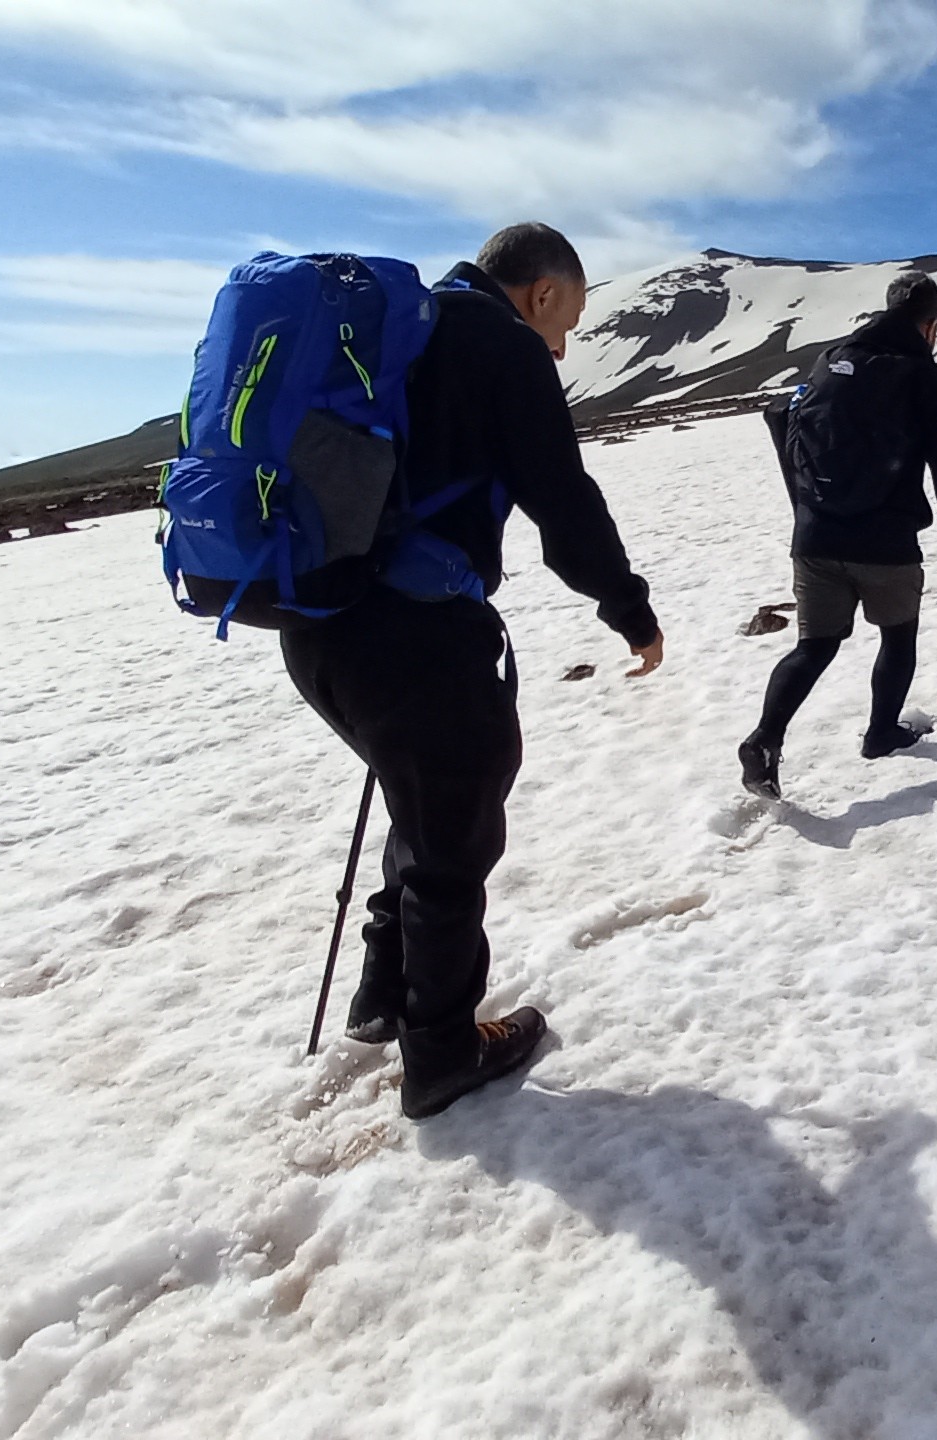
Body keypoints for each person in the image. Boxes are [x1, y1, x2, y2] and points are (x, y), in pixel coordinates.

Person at [279, 222, 665, 1121]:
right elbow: (564, 501)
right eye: (565, 319)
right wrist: (628, 607)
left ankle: (384, 993)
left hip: (314, 625)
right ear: (541, 294)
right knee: (453, 835)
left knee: (421, 799)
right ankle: (443, 1054)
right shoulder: (500, 344)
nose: (564, 344)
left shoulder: (396, 333)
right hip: (412, 632)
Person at [739, 273, 937, 800]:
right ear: (930, 325)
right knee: (898, 637)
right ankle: (881, 734)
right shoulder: (925, 379)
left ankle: (765, 739)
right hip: (885, 541)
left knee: (814, 645)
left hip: (815, 536)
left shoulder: (829, 363)